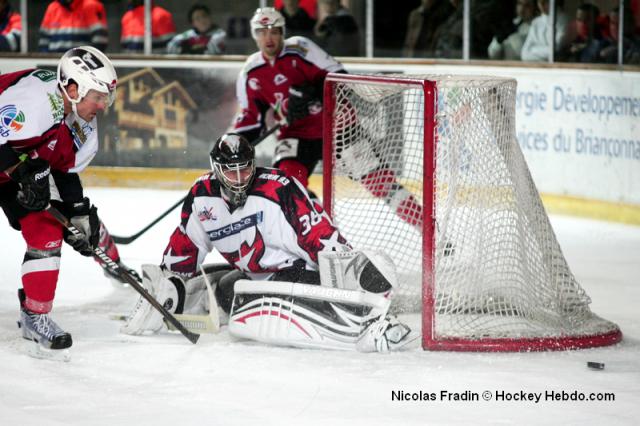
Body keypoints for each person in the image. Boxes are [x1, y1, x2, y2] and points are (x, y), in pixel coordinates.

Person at [120, 133, 414, 352]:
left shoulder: (279, 189)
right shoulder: (201, 196)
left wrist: (349, 273)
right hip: (251, 280)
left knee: (249, 300)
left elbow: (318, 235)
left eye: (244, 169)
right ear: (215, 169)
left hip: (299, 273)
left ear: (254, 165)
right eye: (230, 171)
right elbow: (186, 247)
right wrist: (167, 286)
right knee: (224, 288)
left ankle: (369, 327)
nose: (238, 178)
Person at [0, 46, 135, 360]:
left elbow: (65, 171)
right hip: (12, 166)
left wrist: (78, 214)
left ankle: (35, 317)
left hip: (16, 174)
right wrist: (21, 171)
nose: (102, 106)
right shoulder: (33, 102)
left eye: (106, 98)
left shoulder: (82, 123)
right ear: (73, 88)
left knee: (47, 232)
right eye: (98, 96)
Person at [232, 7, 344, 194]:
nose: (269, 38)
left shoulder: (301, 48)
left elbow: (339, 77)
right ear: (254, 35)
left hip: (337, 128)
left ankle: (412, 216)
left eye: (274, 32)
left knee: (379, 181)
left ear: (283, 33)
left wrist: (313, 93)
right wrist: (237, 146)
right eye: (262, 32)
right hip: (295, 135)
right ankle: (315, 218)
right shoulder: (250, 72)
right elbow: (250, 118)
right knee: (287, 186)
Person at [38, 0, 108, 53]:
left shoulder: (91, 5)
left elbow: (100, 38)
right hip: (56, 63)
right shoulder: (52, 7)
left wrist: (90, 60)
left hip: (83, 64)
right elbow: (43, 40)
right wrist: (48, 61)